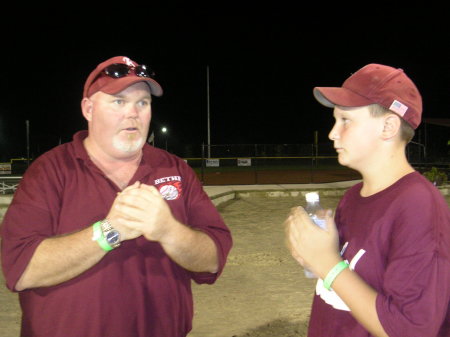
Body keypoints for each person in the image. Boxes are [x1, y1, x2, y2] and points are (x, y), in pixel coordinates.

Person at [0, 55, 233, 337]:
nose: (133, 112)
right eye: (118, 101)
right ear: (88, 109)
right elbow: (21, 271)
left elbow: (213, 259)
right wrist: (109, 232)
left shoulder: (174, 168)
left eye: (142, 103)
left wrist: (169, 231)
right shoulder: (50, 171)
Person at [285, 63, 449, 336]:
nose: (332, 133)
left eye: (345, 120)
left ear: (388, 126)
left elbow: (410, 329)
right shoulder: (352, 197)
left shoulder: (419, 207)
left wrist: (328, 264)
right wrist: (313, 254)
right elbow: (347, 281)